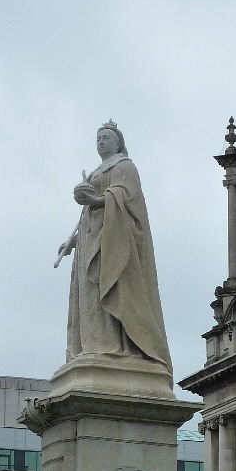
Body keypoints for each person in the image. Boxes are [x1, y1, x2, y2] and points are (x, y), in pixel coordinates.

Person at [57, 122, 172, 372]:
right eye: (98, 138)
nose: (101, 142)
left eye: (106, 137)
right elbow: (86, 216)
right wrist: (72, 241)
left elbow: (127, 197)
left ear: (118, 142)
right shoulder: (97, 171)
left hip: (113, 239)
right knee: (89, 295)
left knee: (111, 286)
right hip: (90, 239)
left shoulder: (125, 166)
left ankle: (115, 346)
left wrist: (96, 199)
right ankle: (94, 345)